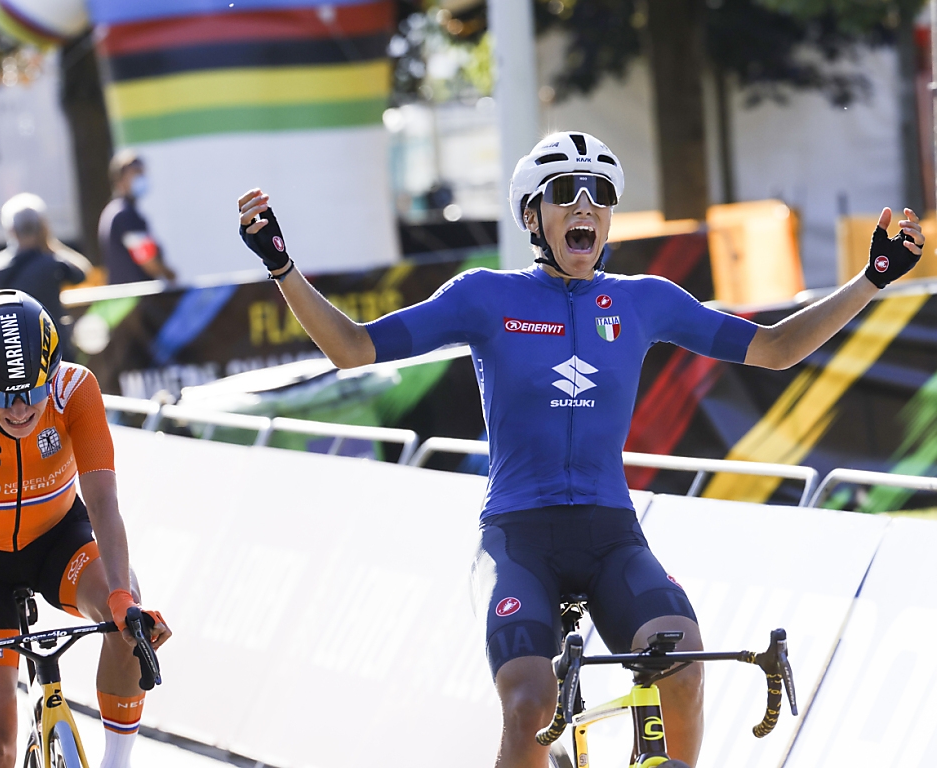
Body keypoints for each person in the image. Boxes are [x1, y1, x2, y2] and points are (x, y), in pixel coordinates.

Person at [237, 131, 924, 768]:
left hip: (610, 537)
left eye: (600, 195)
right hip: (518, 538)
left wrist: (872, 279)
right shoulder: (485, 296)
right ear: (532, 217)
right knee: (531, 703)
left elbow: (774, 350)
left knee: (684, 667)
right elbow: (353, 348)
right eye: (566, 192)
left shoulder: (645, 300)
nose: (585, 206)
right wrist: (282, 266)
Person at [0, 290, 171, 768]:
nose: (19, 410)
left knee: (128, 618)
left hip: (60, 542)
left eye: (31, 394)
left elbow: (102, 500)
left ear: (52, 374)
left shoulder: (75, 388)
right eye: (2, 397)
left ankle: (115, 763)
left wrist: (122, 599)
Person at [0, 192, 92, 323]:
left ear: (11, 230)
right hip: (51, 338)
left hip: (12, 340)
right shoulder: (53, 264)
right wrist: (50, 243)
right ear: (42, 228)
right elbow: (82, 272)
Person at [99, 150, 177, 285]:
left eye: (143, 173)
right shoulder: (125, 215)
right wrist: (169, 274)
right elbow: (148, 260)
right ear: (120, 180)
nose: (142, 178)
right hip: (135, 300)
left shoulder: (114, 210)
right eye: (136, 173)